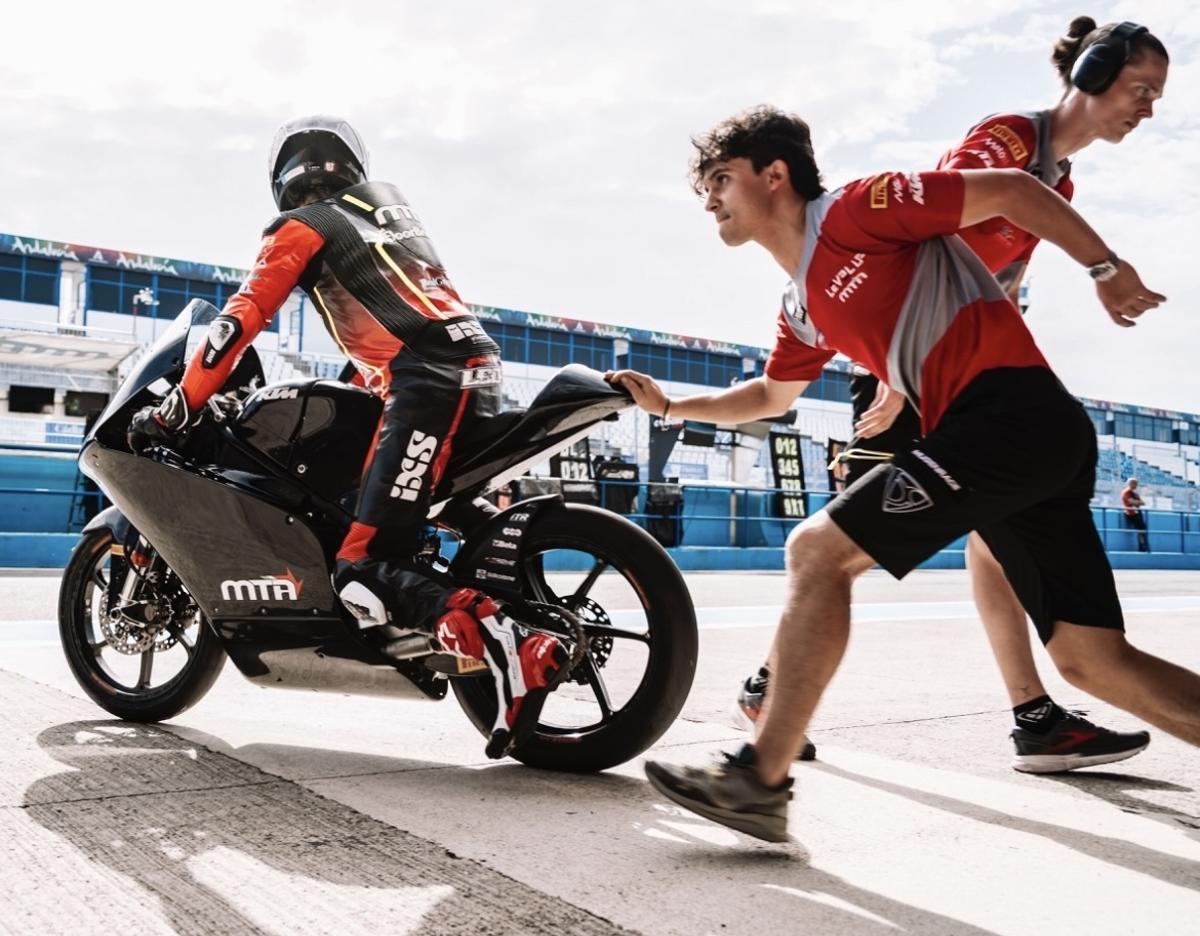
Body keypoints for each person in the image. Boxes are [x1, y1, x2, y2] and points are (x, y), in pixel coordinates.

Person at [609, 102, 1200, 844]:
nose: (709, 199)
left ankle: (759, 780)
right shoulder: (799, 306)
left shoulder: (857, 210)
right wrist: (668, 405)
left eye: (721, 179)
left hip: (1007, 415)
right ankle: (761, 776)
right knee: (1091, 660)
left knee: (818, 551)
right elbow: (770, 397)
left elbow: (1014, 191)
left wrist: (1106, 270)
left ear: (775, 174)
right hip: (1020, 435)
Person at [736, 18, 1165, 774]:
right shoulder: (1008, 140)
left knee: (986, 534)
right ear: (1092, 72)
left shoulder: (1059, 177)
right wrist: (900, 383)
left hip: (951, 361)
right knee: (834, 548)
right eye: (1141, 88)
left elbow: (1002, 274)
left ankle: (1034, 715)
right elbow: (940, 230)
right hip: (908, 363)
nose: (1149, 107)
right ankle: (768, 695)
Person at [128, 115, 568, 759]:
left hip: (428, 381)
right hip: (474, 374)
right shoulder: (384, 212)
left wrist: (178, 403)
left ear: (284, 178)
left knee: (360, 569)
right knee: (393, 514)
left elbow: (239, 321)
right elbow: (390, 315)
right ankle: (461, 610)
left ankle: (505, 640)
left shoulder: (299, 227)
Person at [1122, 477, 1149, 552]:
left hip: (1137, 512)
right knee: (1141, 529)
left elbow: (1143, 503)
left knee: (1142, 528)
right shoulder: (1127, 492)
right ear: (1130, 483)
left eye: (1136, 483)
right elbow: (1132, 502)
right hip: (1131, 513)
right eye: (1135, 483)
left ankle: (1143, 546)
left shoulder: (1135, 493)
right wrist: (1137, 502)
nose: (1136, 485)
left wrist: (1137, 502)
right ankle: (1141, 547)